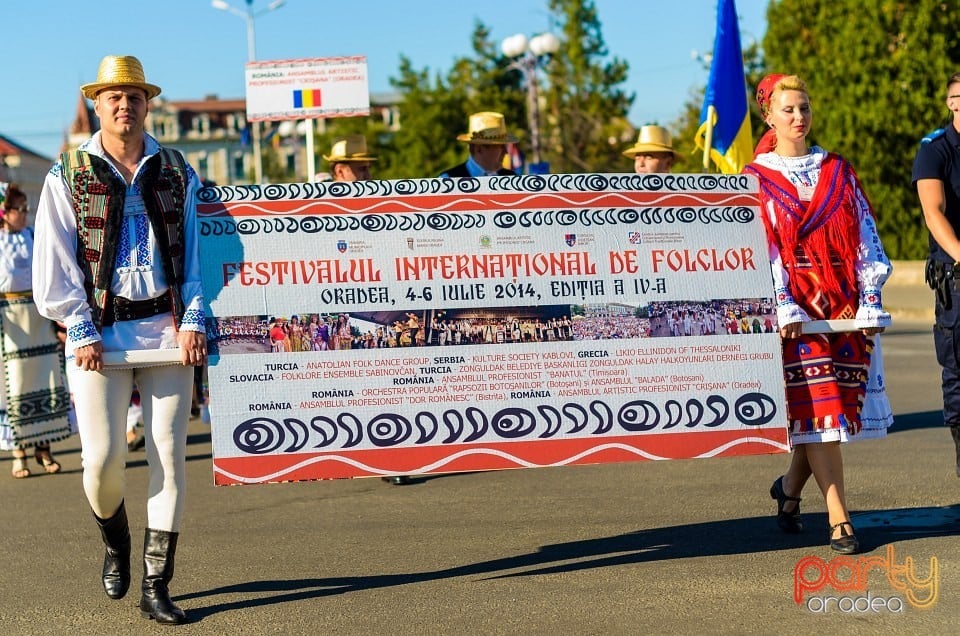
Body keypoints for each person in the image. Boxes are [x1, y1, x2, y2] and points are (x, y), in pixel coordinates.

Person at [33, 55, 205, 624]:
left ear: (147, 104)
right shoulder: (68, 172)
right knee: (102, 461)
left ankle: (157, 584)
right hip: (98, 332)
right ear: (96, 104)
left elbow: (199, 255)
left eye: (134, 97)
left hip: (166, 329)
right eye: (113, 97)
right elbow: (54, 260)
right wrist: (77, 323)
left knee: (169, 460)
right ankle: (116, 542)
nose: (124, 105)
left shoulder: (179, 168)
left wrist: (195, 318)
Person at [742, 74, 892, 555]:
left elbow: (865, 230)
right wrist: (779, 300)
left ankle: (788, 492)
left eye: (804, 108)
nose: (798, 118)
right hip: (793, 308)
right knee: (819, 409)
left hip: (843, 303)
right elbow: (761, 248)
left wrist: (871, 294)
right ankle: (840, 519)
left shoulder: (837, 169)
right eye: (788, 110)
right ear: (769, 116)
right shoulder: (755, 179)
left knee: (824, 415)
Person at [0, 182, 73, 478]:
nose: (25, 213)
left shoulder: (33, 237)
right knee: (13, 384)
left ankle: (44, 450)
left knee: (45, 379)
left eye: (26, 208)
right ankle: (19, 454)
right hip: (9, 321)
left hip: (37, 315)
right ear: (4, 212)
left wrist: (59, 321)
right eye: (19, 208)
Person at [913, 71, 960, 478]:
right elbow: (934, 212)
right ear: (951, 103)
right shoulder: (935, 149)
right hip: (956, 275)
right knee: (959, 374)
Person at [439, 112, 518, 178]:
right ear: (478, 148)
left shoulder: (512, 179)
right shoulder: (448, 180)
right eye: (500, 146)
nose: (506, 152)